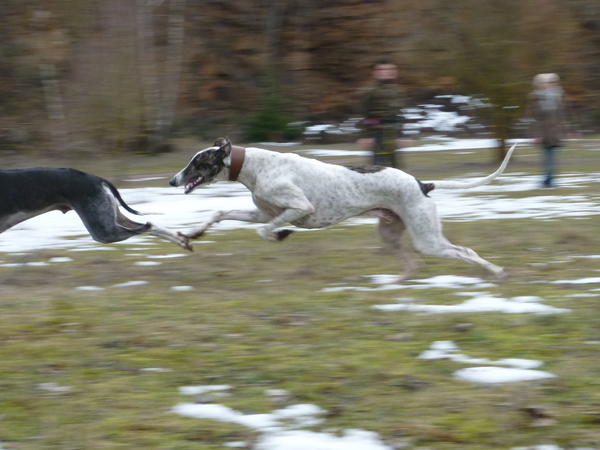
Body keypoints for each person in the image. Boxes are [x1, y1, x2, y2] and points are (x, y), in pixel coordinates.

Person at [357, 58, 405, 168]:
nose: (386, 72)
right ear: (375, 73)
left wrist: (402, 135)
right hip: (378, 133)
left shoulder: (398, 91)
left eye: (390, 69)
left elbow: (399, 114)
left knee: (397, 168)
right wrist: (366, 136)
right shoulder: (369, 91)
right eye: (381, 69)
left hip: (393, 133)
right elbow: (364, 115)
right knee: (378, 168)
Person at [527, 73, 568, 188]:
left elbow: (560, 116)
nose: (545, 85)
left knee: (550, 157)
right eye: (543, 83)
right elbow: (535, 118)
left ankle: (548, 180)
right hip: (544, 133)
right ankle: (548, 179)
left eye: (546, 83)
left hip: (552, 133)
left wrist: (563, 131)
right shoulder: (537, 97)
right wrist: (537, 134)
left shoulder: (554, 97)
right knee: (548, 157)